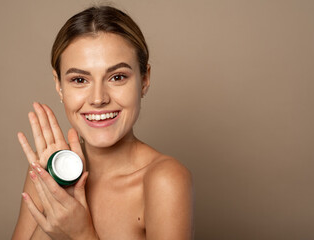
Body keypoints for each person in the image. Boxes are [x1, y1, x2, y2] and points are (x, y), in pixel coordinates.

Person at [12, 5, 193, 240]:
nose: (98, 99)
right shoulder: (49, 168)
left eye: (117, 77)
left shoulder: (164, 180)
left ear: (144, 79)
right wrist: (60, 196)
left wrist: (81, 234)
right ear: (59, 85)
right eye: (79, 79)